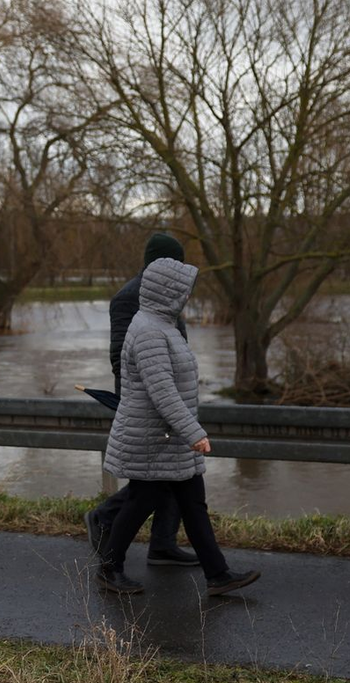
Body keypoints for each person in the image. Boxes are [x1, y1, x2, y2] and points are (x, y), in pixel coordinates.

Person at [93, 255, 260, 598]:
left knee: (192, 502)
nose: (188, 296)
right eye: (183, 291)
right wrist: (194, 432)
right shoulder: (149, 332)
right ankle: (109, 569)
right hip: (153, 437)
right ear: (168, 292)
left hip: (167, 437)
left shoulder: (162, 324)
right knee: (140, 501)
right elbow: (162, 391)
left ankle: (218, 574)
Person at [84, 233, 198, 568]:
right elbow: (121, 358)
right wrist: (146, 398)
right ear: (157, 261)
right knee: (158, 477)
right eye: (174, 261)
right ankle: (104, 517)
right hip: (144, 403)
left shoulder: (167, 292)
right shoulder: (128, 298)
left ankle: (162, 544)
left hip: (171, 398)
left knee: (171, 472)